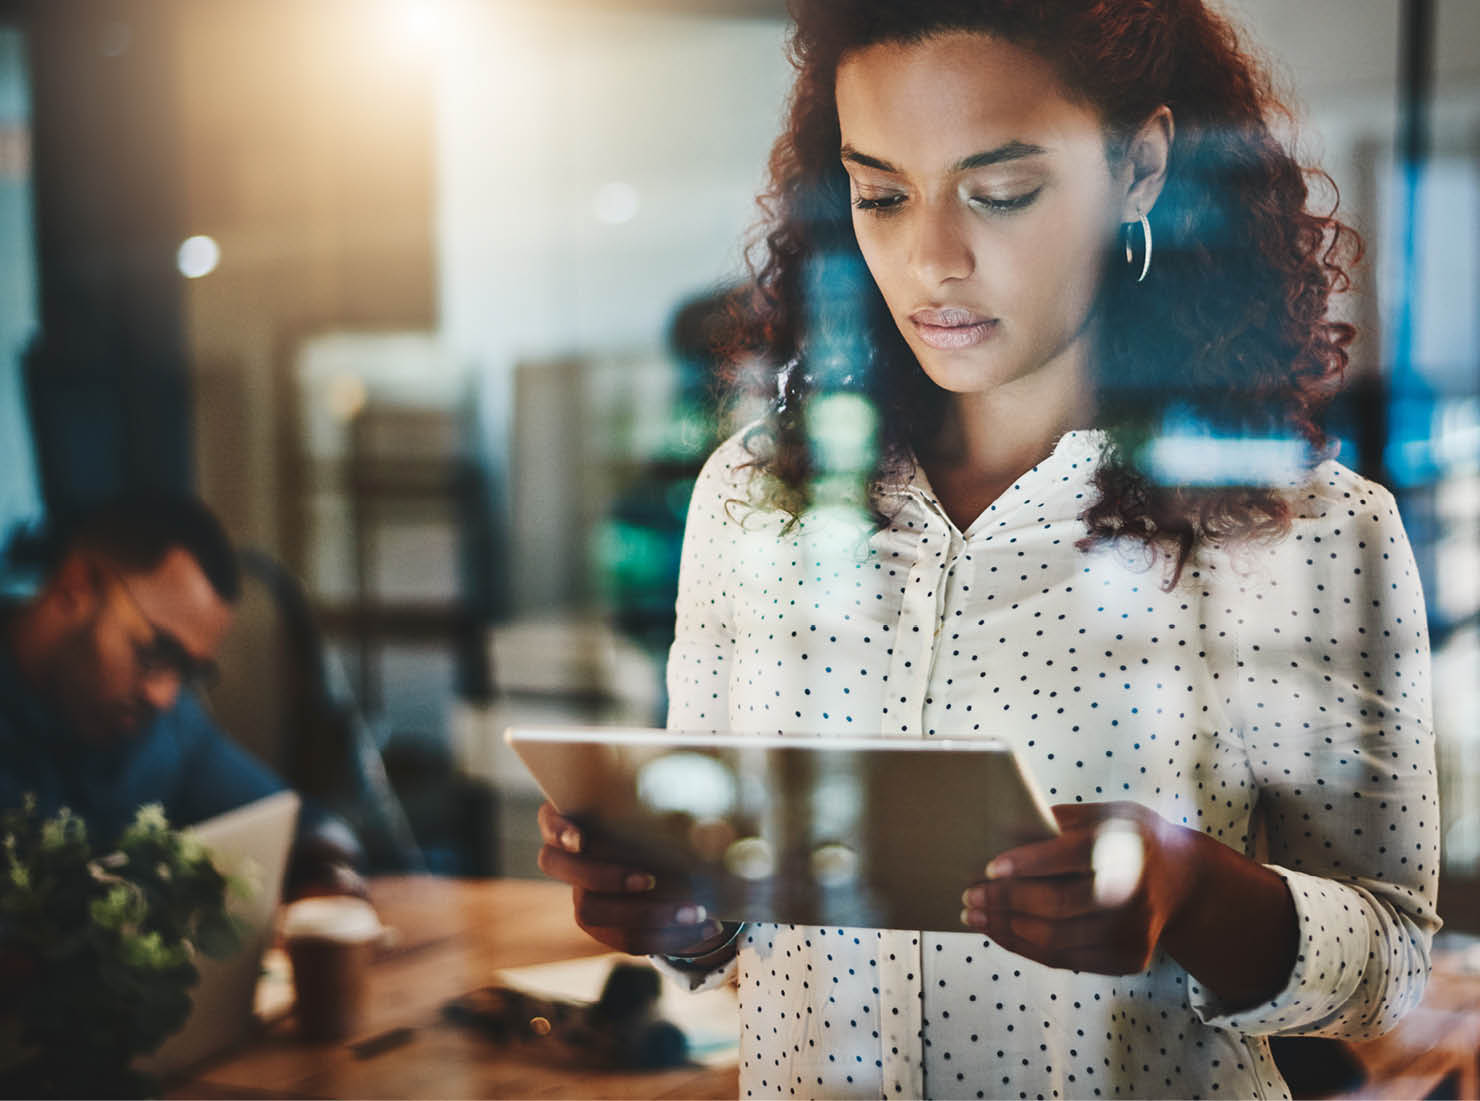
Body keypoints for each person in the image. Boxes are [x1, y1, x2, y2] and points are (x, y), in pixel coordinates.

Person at [538, 1, 1439, 1097]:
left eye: (1001, 192)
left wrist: (1194, 892)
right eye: (880, 194)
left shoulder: (1303, 531)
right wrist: (674, 912)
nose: (931, 260)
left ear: (1142, 167)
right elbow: (730, 922)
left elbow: (1389, 960)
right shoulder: (752, 502)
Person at [0, 491, 363, 896]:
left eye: (188, 671)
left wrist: (330, 871)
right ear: (75, 587)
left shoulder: (168, 727)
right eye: (155, 652)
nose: (163, 696)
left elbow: (303, 825)